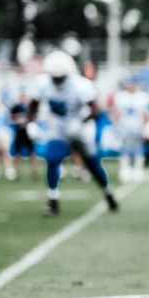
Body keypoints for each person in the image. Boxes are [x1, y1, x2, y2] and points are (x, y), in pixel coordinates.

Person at [29, 51, 119, 216]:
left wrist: (82, 122)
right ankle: (53, 200)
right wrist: (31, 121)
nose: (57, 80)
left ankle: (108, 192)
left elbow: (96, 109)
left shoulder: (80, 85)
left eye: (60, 77)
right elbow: (33, 104)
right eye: (54, 77)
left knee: (92, 164)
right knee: (52, 158)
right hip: (57, 126)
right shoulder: (42, 83)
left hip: (79, 125)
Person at [112, 77, 149, 183]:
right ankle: (125, 169)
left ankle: (138, 169)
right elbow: (116, 112)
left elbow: (146, 114)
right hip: (124, 126)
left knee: (139, 148)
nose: (132, 86)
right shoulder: (121, 96)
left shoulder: (143, 96)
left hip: (138, 126)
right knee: (125, 148)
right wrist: (116, 125)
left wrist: (147, 127)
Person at [8, 90, 36, 180]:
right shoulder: (16, 107)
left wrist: (27, 120)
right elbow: (11, 118)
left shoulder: (30, 107)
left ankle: (34, 171)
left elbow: (34, 117)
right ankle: (17, 172)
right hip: (19, 132)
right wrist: (18, 120)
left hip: (28, 132)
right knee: (17, 153)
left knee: (32, 152)